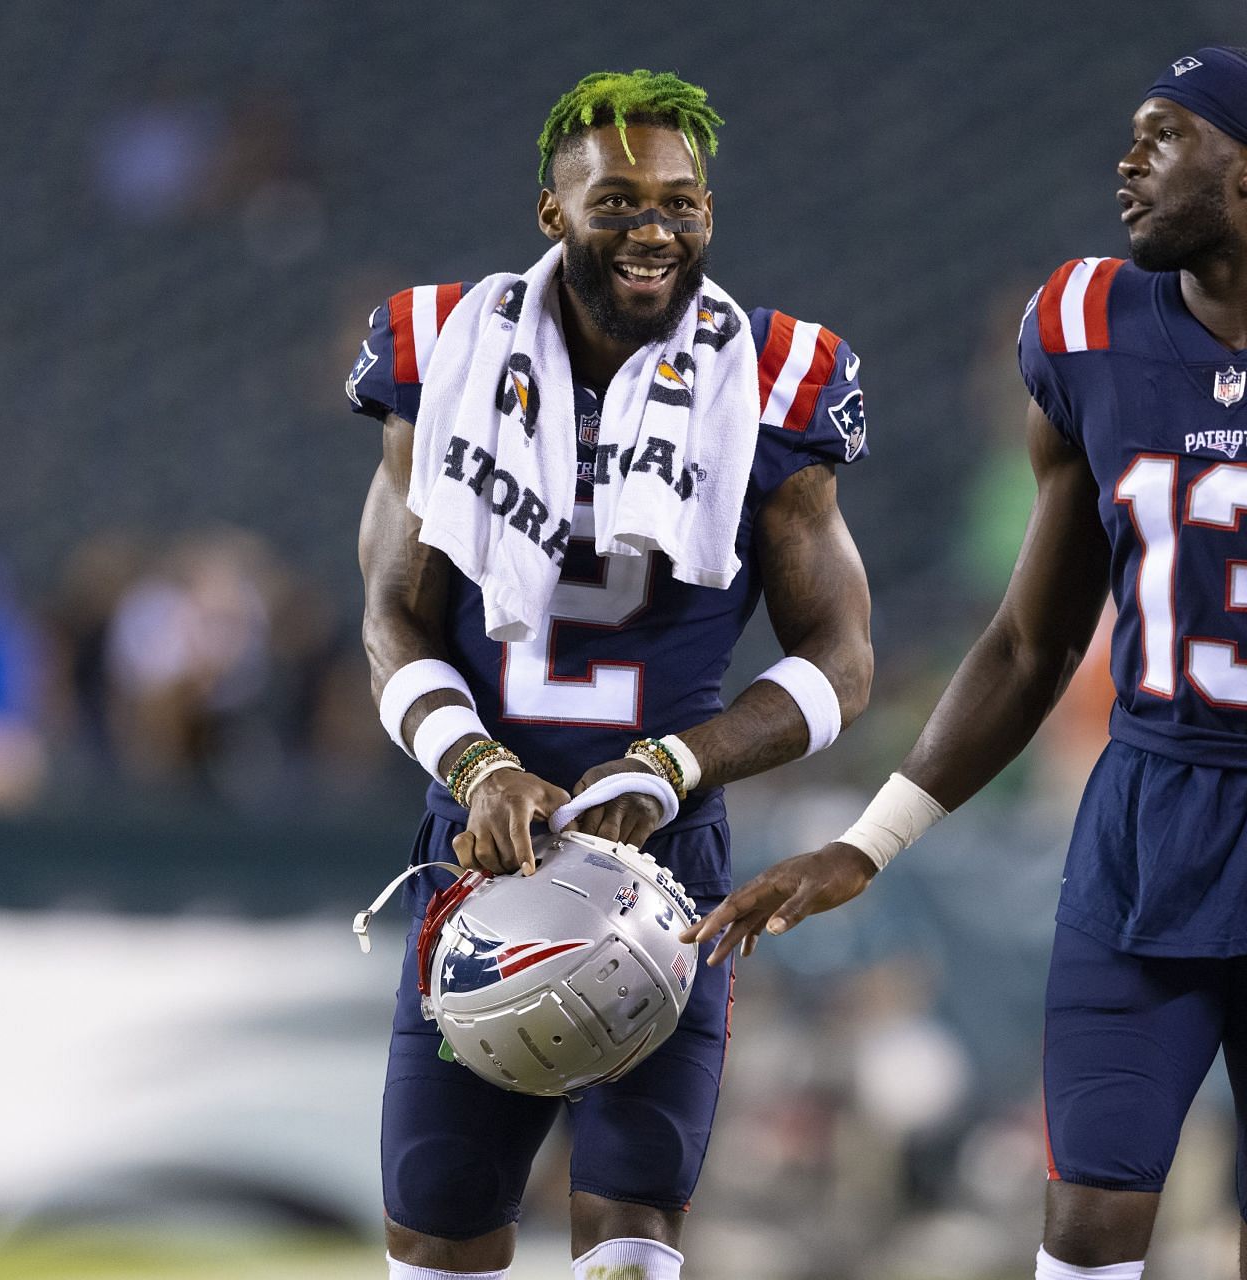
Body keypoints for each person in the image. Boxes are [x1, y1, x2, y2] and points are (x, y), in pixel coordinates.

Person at [689, 46, 1247, 1279]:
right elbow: (1033, 642)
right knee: (1086, 1227)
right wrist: (867, 841)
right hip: (1146, 824)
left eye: (1162, 136)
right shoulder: (1087, 330)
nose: (1125, 163)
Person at [346, 70, 873, 1280]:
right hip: (480, 849)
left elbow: (841, 661)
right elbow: (391, 616)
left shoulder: (773, 379)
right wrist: (478, 765)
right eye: (620, 199)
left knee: (632, 1249)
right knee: (436, 1236)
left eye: (683, 202)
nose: (655, 229)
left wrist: (673, 764)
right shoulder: (442, 355)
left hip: (665, 864)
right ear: (551, 212)